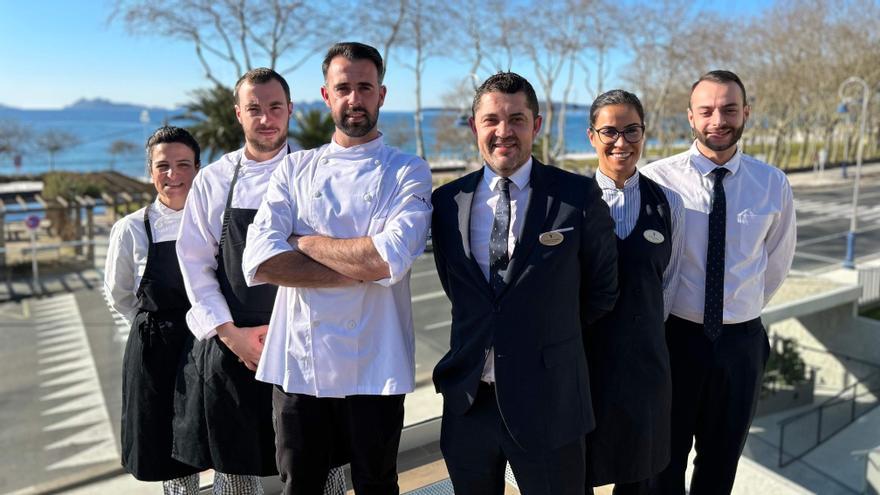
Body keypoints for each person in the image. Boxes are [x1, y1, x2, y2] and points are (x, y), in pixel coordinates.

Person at [242, 42, 432, 495]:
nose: (354, 98)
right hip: (299, 365)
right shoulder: (293, 170)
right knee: (299, 485)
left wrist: (303, 241)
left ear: (381, 95)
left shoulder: (409, 171)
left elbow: (387, 258)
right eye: (343, 88)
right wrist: (361, 265)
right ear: (326, 96)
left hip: (375, 361)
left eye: (364, 87)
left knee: (377, 483)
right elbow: (262, 261)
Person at [431, 72, 619, 495]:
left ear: (536, 125)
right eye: (492, 120)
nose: (504, 131)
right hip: (468, 402)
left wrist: (547, 335)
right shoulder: (446, 203)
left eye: (517, 119)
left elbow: (602, 291)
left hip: (550, 401)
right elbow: (458, 289)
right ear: (474, 126)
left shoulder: (578, 196)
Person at [174, 68, 344, 494]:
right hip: (237, 348)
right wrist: (232, 336)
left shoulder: (320, 171)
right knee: (236, 473)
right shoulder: (213, 180)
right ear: (238, 115)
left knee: (322, 469)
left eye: (274, 108)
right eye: (254, 109)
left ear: (290, 110)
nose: (265, 118)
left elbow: (337, 257)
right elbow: (194, 264)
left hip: (310, 345)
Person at [641, 70, 796, 494]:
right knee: (662, 463)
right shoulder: (657, 179)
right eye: (706, 110)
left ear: (745, 112)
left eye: (729, 109)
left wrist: (737, 311)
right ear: (690, 117)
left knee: (721, 461)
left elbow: (776, 263)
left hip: (741, 346)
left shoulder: (772, 184)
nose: (718, 119)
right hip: (675, 341)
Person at [582, 90, 684, 494]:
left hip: (644, 368)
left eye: (632, 130)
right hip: (583, 365)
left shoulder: (668, 203)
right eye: (609, 131)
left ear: (644, 133)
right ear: (592, 136)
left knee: (639, 475)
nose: (621, 142)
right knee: (578, 472)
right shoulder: (572, 202)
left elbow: (668, 284)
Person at [104, 126, 202, 493]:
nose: (173, 175)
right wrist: (157, 329)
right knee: (173, 462)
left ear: (197, 168)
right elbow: (119, 294)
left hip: (211, 345)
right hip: (159, 354)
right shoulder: (131, 229)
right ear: (150, 172)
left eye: (182, 165)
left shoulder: (213, 221)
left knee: (227, 448)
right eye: (162, 166)